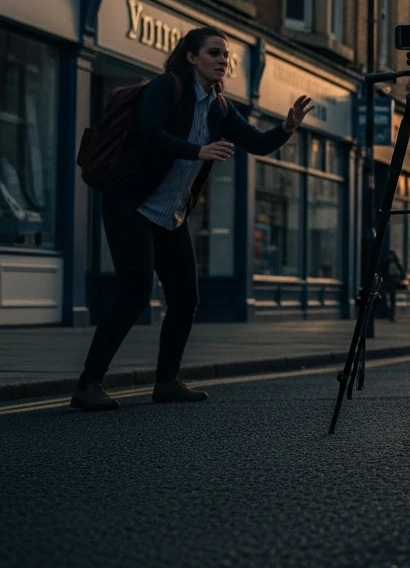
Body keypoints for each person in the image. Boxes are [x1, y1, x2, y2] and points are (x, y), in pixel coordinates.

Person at [71, 27, 313, 411]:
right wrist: (197, 151)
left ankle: (166, 382)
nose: (222, 60)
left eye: (225, 56)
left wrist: (286, 128)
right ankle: (88, 384)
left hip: (170, 214)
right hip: (130, 204)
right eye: (214, 53)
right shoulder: (166, 88)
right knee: (134, 295)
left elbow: (256, 142)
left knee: (185, 297)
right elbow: (150, 134)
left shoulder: (219, 106)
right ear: (191, 57)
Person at [381, 250, 408, 321]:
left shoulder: (396, 263)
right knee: (387, 299)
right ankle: (389, 314)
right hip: (388, 283)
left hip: (393, 284)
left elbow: (402, 273)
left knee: (392, 299)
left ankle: (391, 314)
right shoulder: (386, 263)